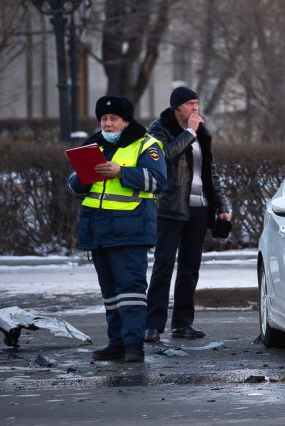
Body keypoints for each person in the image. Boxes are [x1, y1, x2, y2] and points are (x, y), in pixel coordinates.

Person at [66, 96, 166, 362]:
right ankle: (116, 343)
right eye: (104, 119)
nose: (108, 124)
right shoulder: (92, 145)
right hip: (98, 229)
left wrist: (121, 171)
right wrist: (82, 180)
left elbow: (157, 181)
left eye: (114, 119)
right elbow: (74, 186)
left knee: (131, 290)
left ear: (126, 121)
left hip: (131, 229)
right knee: (110, 294)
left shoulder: (147, 144)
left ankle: (134, 345)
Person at [144, 87, 231, 342]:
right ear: (177, 108)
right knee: (163, 266)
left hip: (199, 206)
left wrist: (222, 206)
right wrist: (189, 132)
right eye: (190, 104)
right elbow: (164, 157)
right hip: (170, 207)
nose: (195, 108)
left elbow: (210, 172)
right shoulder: (159, 130)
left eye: (197, 103)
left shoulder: (202, 133)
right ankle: (153, 325)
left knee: (190, 268)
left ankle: (183, 323)